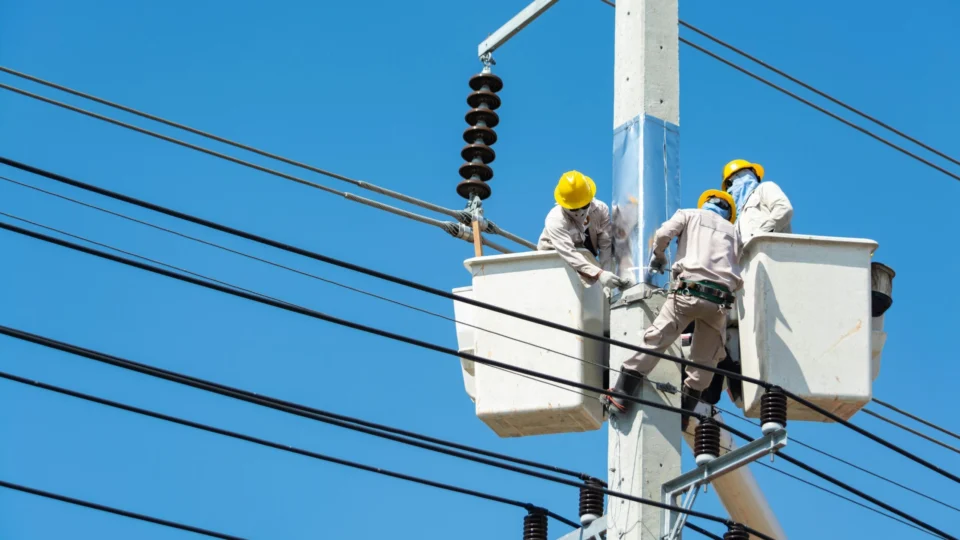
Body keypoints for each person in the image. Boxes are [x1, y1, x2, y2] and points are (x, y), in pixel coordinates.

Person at [602, 189, 741, 415]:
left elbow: (663, 234)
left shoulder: (688, 214)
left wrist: (659, 255)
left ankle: (622, 395)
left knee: (656, 339)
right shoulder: (735, 232)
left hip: (688, 293)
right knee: (705, 362)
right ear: (729, 213)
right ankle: (685, 413)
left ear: (705, 203)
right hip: (719, 303)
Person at [538, 171, 630, 294]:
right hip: (554, 261)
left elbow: (605, 246)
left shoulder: (600, 210)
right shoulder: (556, 219)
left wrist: (606, 274)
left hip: (584, 260)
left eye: (585, 205)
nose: (580, 212)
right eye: (574, 209)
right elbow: (568, 253)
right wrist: (599, 274)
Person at [722, 159, 793, 243]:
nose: (729, 191)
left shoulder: (764, 188)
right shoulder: (738, 220)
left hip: (777, 250)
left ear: (742, 176)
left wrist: (762, 234)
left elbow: (784, 209)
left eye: (729, 184)